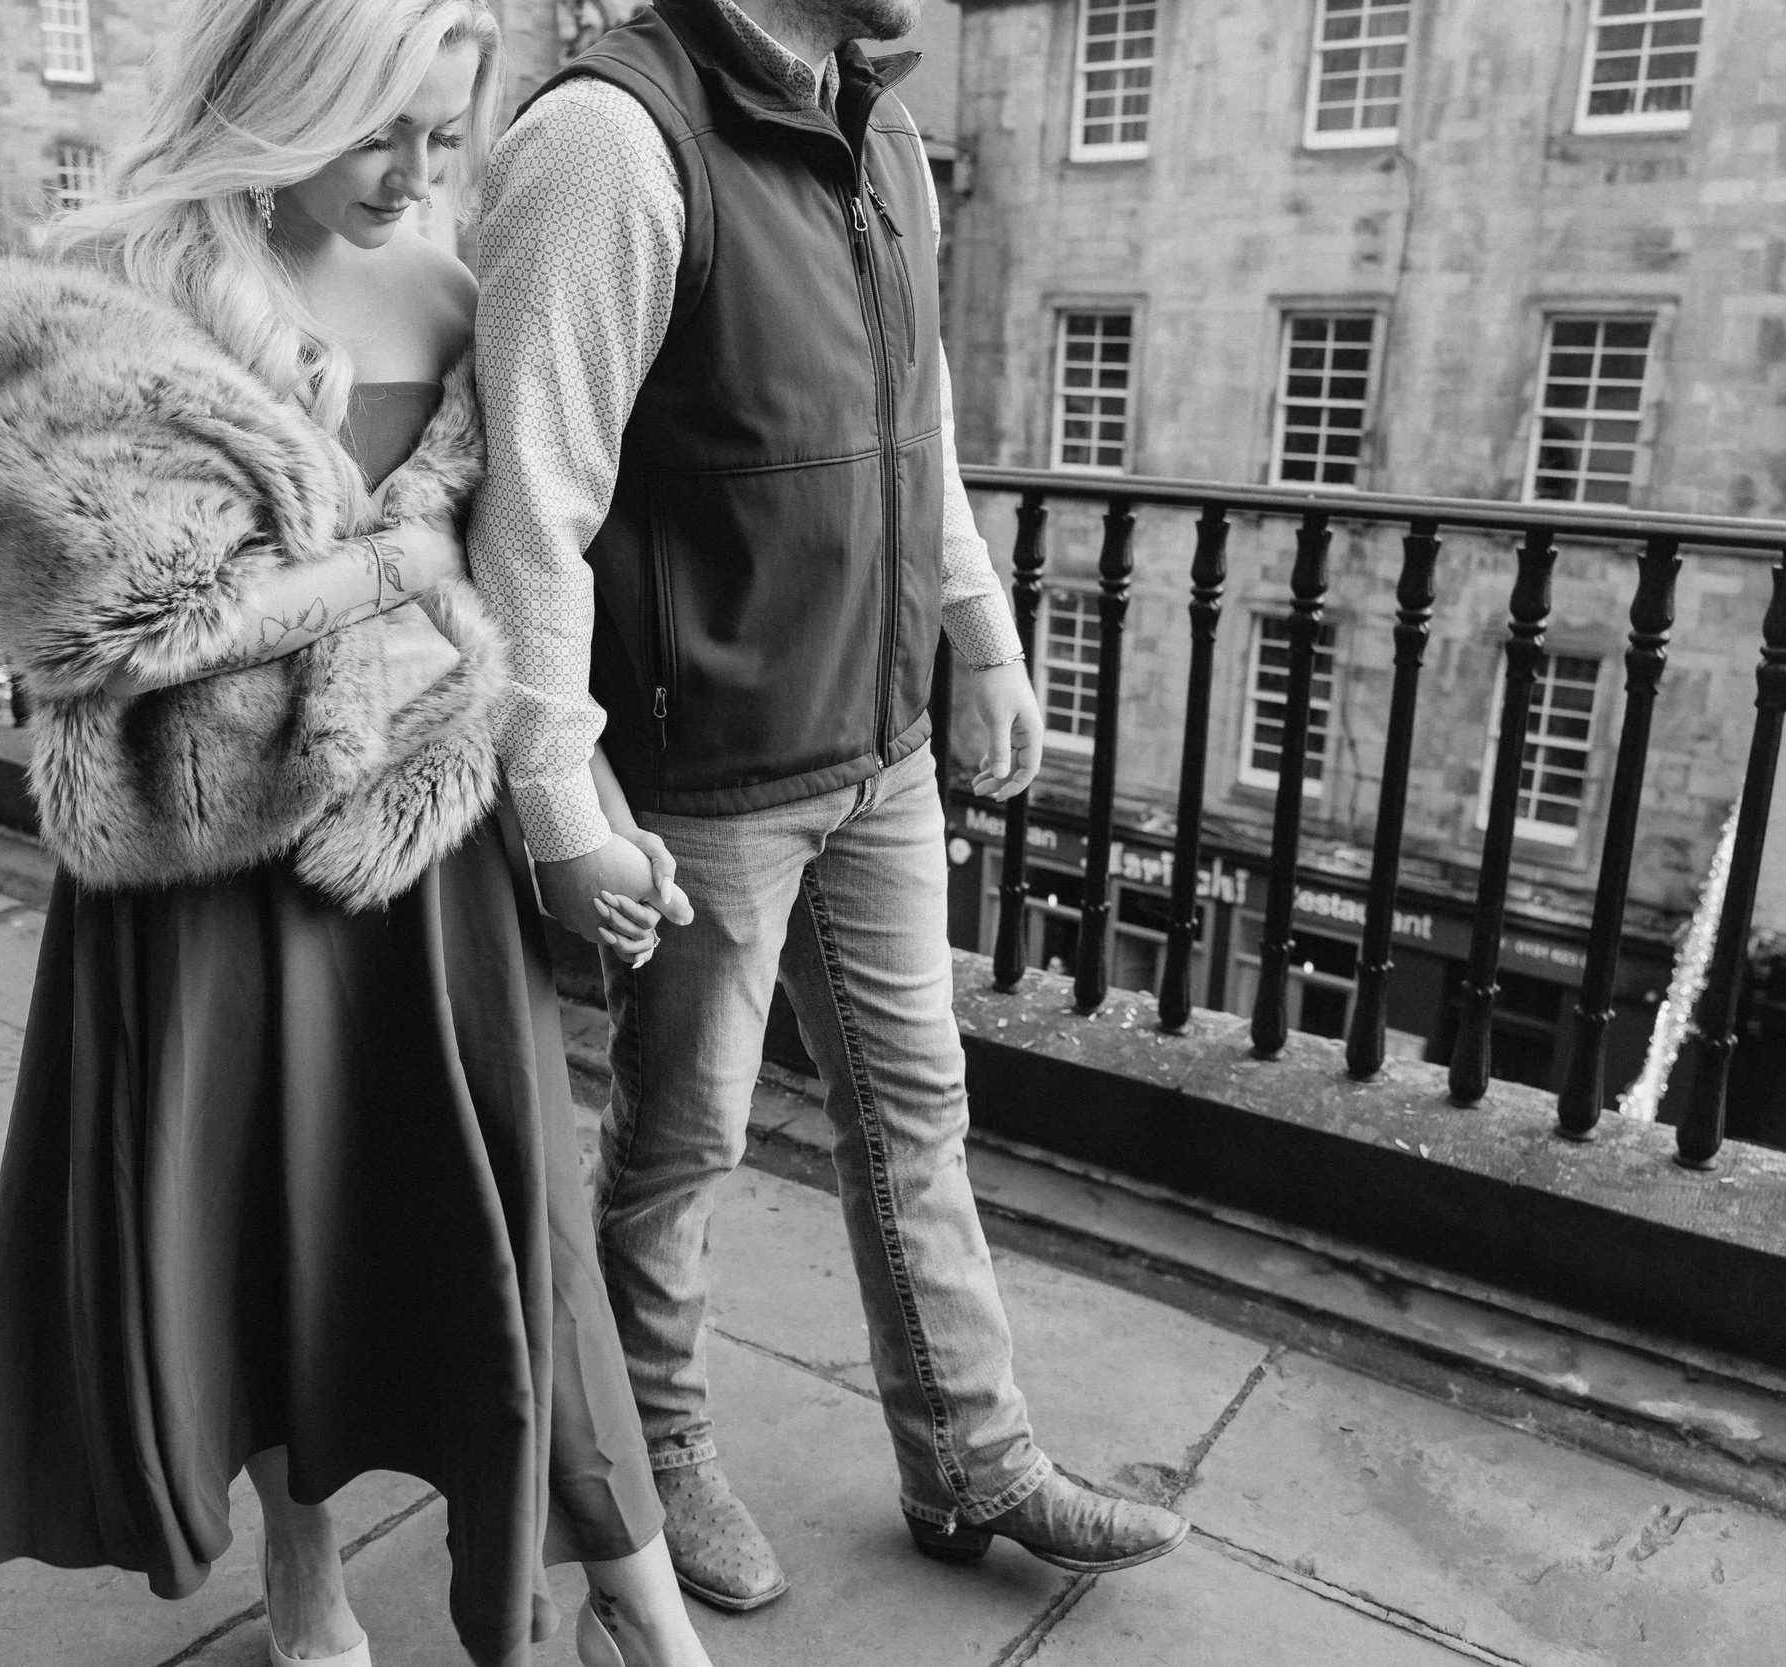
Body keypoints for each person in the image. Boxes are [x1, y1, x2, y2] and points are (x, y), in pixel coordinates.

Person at [0, 2, 714, 1663]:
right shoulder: (106, 293)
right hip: (201, 871)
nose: (419, 177)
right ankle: (305, 1567)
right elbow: (112, 633)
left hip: (420, 850)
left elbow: (519, 582)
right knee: (259, 1218)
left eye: (446, 136)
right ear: (282, 102)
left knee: (513, 1222)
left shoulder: (448, 293)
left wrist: (581, 804)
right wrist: (382, 572)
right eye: (383, 133)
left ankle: (621, 1590)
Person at [468, 0, 1192, 1614]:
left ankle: (972, 1458)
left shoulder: (876, 126)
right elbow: (533, 507)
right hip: (710, 765)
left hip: (880, 746)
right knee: (680, 1142)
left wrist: (977, 632)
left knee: (917, 1110)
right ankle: (651, 1468)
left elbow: (908, 419)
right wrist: (556, 799)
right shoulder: (608, 141)